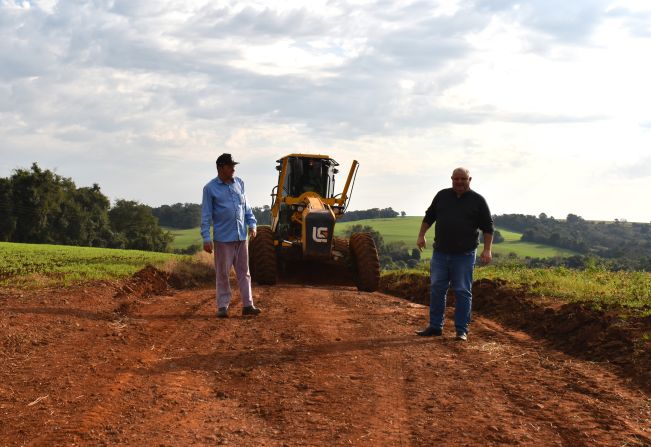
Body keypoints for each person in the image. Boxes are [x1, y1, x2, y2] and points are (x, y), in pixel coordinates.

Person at [415, 167, 493, 341]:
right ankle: (435, 327)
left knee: (462, 291)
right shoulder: (442, 196)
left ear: (469, 179)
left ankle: (461, 330)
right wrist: (421, 235)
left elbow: (488, 227)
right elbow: (429, 216)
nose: (459, 182)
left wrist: (487, 249)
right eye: (456, 179)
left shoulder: (478, 201)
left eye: (463, 179)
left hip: (464, 255)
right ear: (451, 179)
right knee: (437, 289)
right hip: (440, 253)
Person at [201, 153, 260, 318]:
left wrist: (252, 224)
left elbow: (246, 207)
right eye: (230, 166)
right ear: (221, 168)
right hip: (223, 239)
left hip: (241, 237)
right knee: (223, 274)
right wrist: (206, 238)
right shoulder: (210, 188)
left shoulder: (239, 183)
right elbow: (206, 215)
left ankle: (248, 305)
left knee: (244, 272)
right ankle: (223, 307)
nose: (234, 169)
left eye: (234, 166)